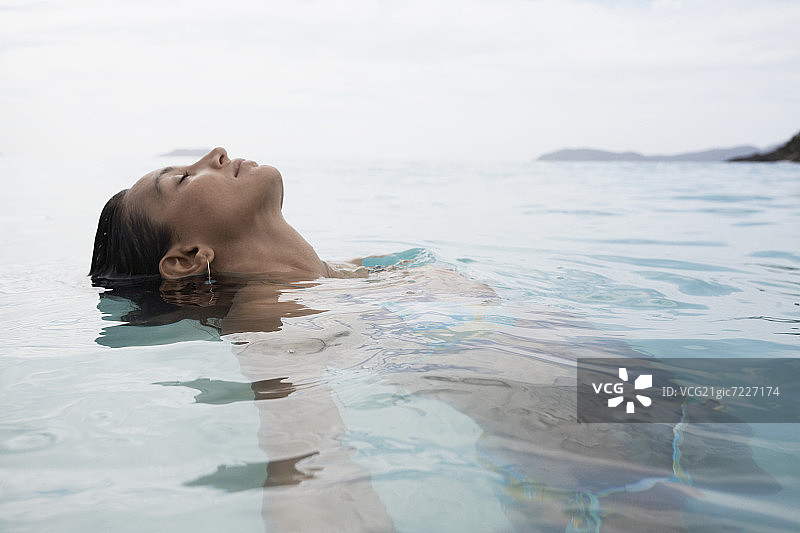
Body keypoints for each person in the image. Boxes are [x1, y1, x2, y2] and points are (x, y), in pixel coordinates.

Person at [90, 147, 330, 284]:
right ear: (187, 259)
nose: (218, 153)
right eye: (184, 178)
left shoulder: (353, 272)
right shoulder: (265, 322)